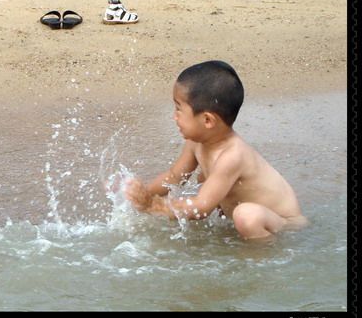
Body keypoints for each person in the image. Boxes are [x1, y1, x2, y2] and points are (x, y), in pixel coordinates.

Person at [123, 60, 307, 239]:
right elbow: (174, 177)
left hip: (285, 225)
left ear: (208, 120)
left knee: (246, 216)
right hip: (255, 215)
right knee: (206, 180)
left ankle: (256, 264)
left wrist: (154, 206)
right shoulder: (197, 143)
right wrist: (142, 194)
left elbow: (201, 208)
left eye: (179, 109)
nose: (174, 117)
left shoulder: (232, 156)